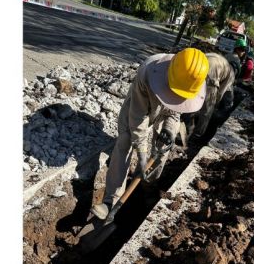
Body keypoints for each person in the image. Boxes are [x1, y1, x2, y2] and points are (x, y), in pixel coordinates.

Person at [92, 48, 209, 219]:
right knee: (124, 141)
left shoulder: (189, 81)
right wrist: (142, 153)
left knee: (163, 148)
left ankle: (148, 186)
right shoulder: (148, 71)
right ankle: (111, 200)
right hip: (138, 107)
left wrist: (169, 130)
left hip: (165, 113)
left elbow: (175, 112)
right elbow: (138, 117)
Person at [191, 52, 236, 138]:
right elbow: (220, 92)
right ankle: (198, 133)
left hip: (197, 65)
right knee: (207, 109)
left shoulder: (221, 59)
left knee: (191, 94)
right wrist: (215, 103)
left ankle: (184, 117)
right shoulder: (231, 74)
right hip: (210, 75)